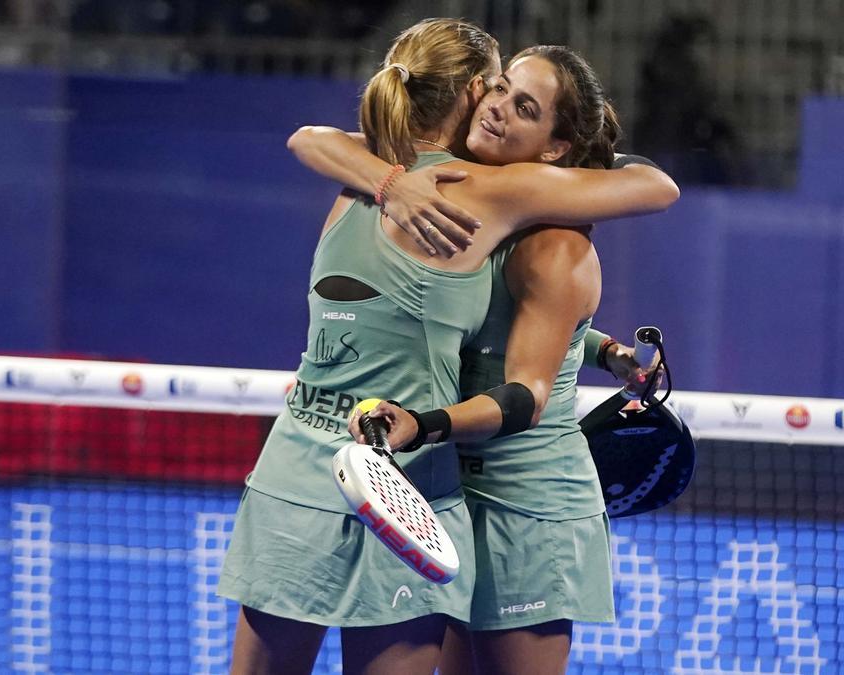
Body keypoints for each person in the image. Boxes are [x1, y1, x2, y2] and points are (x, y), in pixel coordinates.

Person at [218, 19, 678, 675]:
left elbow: (528, 371)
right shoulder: (423, 180)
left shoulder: (531, 216)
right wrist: (389, 182)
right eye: (498, 89)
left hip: (507, 492)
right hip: (423, 476)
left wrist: (424, 420)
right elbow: (481, 310)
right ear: (468, 94)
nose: (497, 107)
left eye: (522, 104)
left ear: (556, 147)